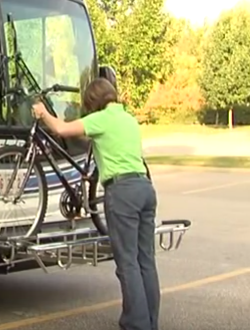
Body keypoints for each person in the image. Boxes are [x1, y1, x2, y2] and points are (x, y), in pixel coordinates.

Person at [31, 78, 160, 330]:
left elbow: (61, 130)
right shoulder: (129, 119)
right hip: (145, 189)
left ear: (93, 101)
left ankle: (136, 324)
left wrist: (43, 112)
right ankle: (150, 323)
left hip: (122, 193)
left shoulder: (101, 119)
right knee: (146, 260)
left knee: (128, 263)